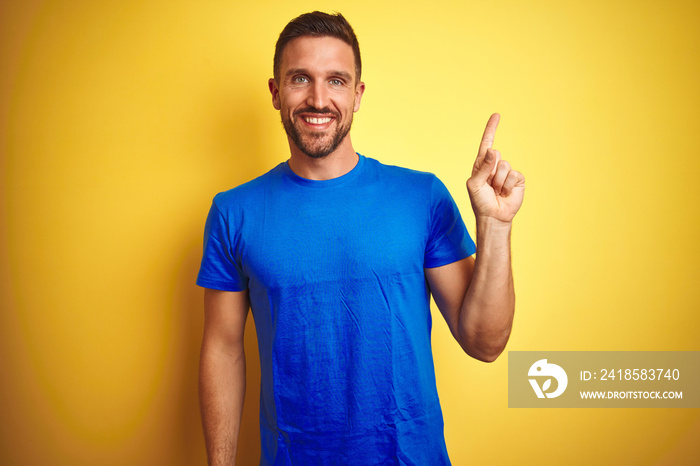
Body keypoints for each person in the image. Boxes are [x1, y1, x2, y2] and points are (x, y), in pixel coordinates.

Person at [197, 11, 524, 466]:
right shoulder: (233, 212)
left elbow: (485, 342)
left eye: (336, 80)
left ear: (358, 93)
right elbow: (223, 349)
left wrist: (496, 227)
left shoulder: (421, 197)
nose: (317, 98)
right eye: (299, 79)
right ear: (275, 92)